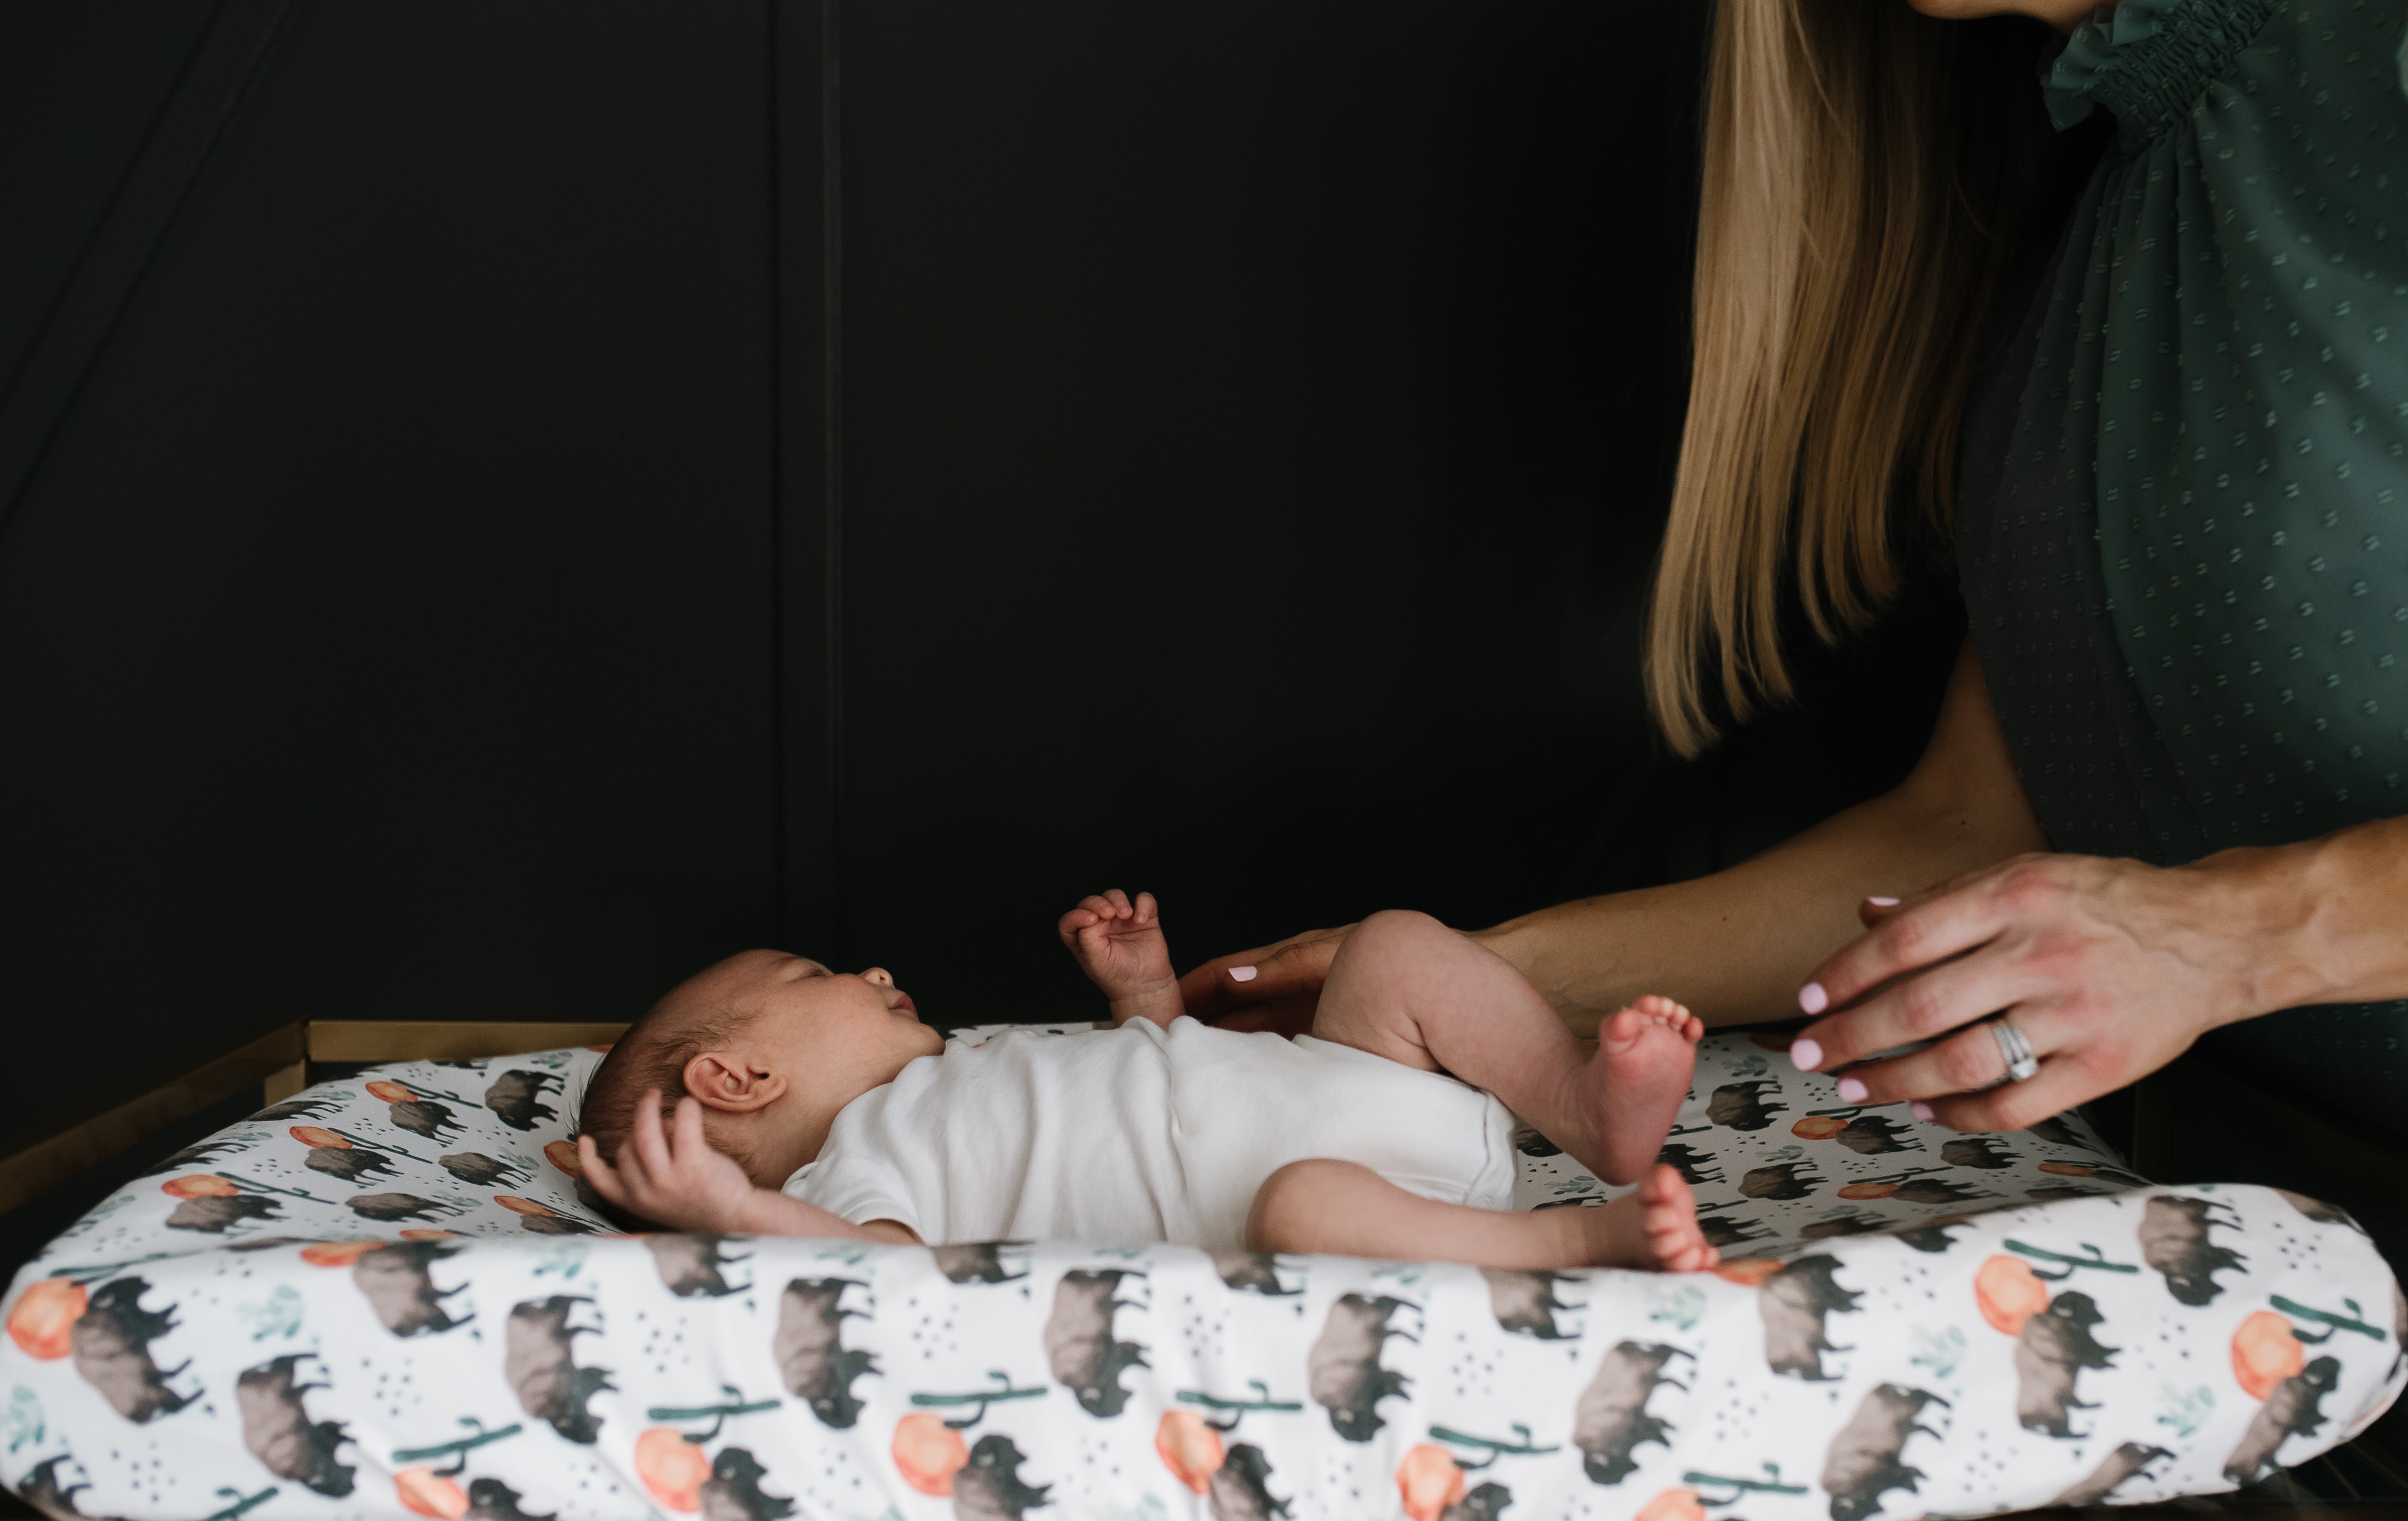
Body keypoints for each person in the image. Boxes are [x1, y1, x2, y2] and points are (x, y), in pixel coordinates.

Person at [1182, 0, 2408, 1134]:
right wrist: (1458, 985)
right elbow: (1967, 835)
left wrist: (2238, 934)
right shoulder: (2097, 251)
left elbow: (2146, 920)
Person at [573, 891, 1718, 1271]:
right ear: (738, 1079)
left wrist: (1144, 996)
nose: (869, 972)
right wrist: (736, 1214)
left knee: (1392, 946)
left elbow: (1155, 1086)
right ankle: (1577, 1241)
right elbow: (884, 1273)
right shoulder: (852, 1171)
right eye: (811, 976)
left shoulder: (969, 1065)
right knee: (1298, 1206)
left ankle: (1584, 1106)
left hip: (1358, 1074)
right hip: (1367, 1204)